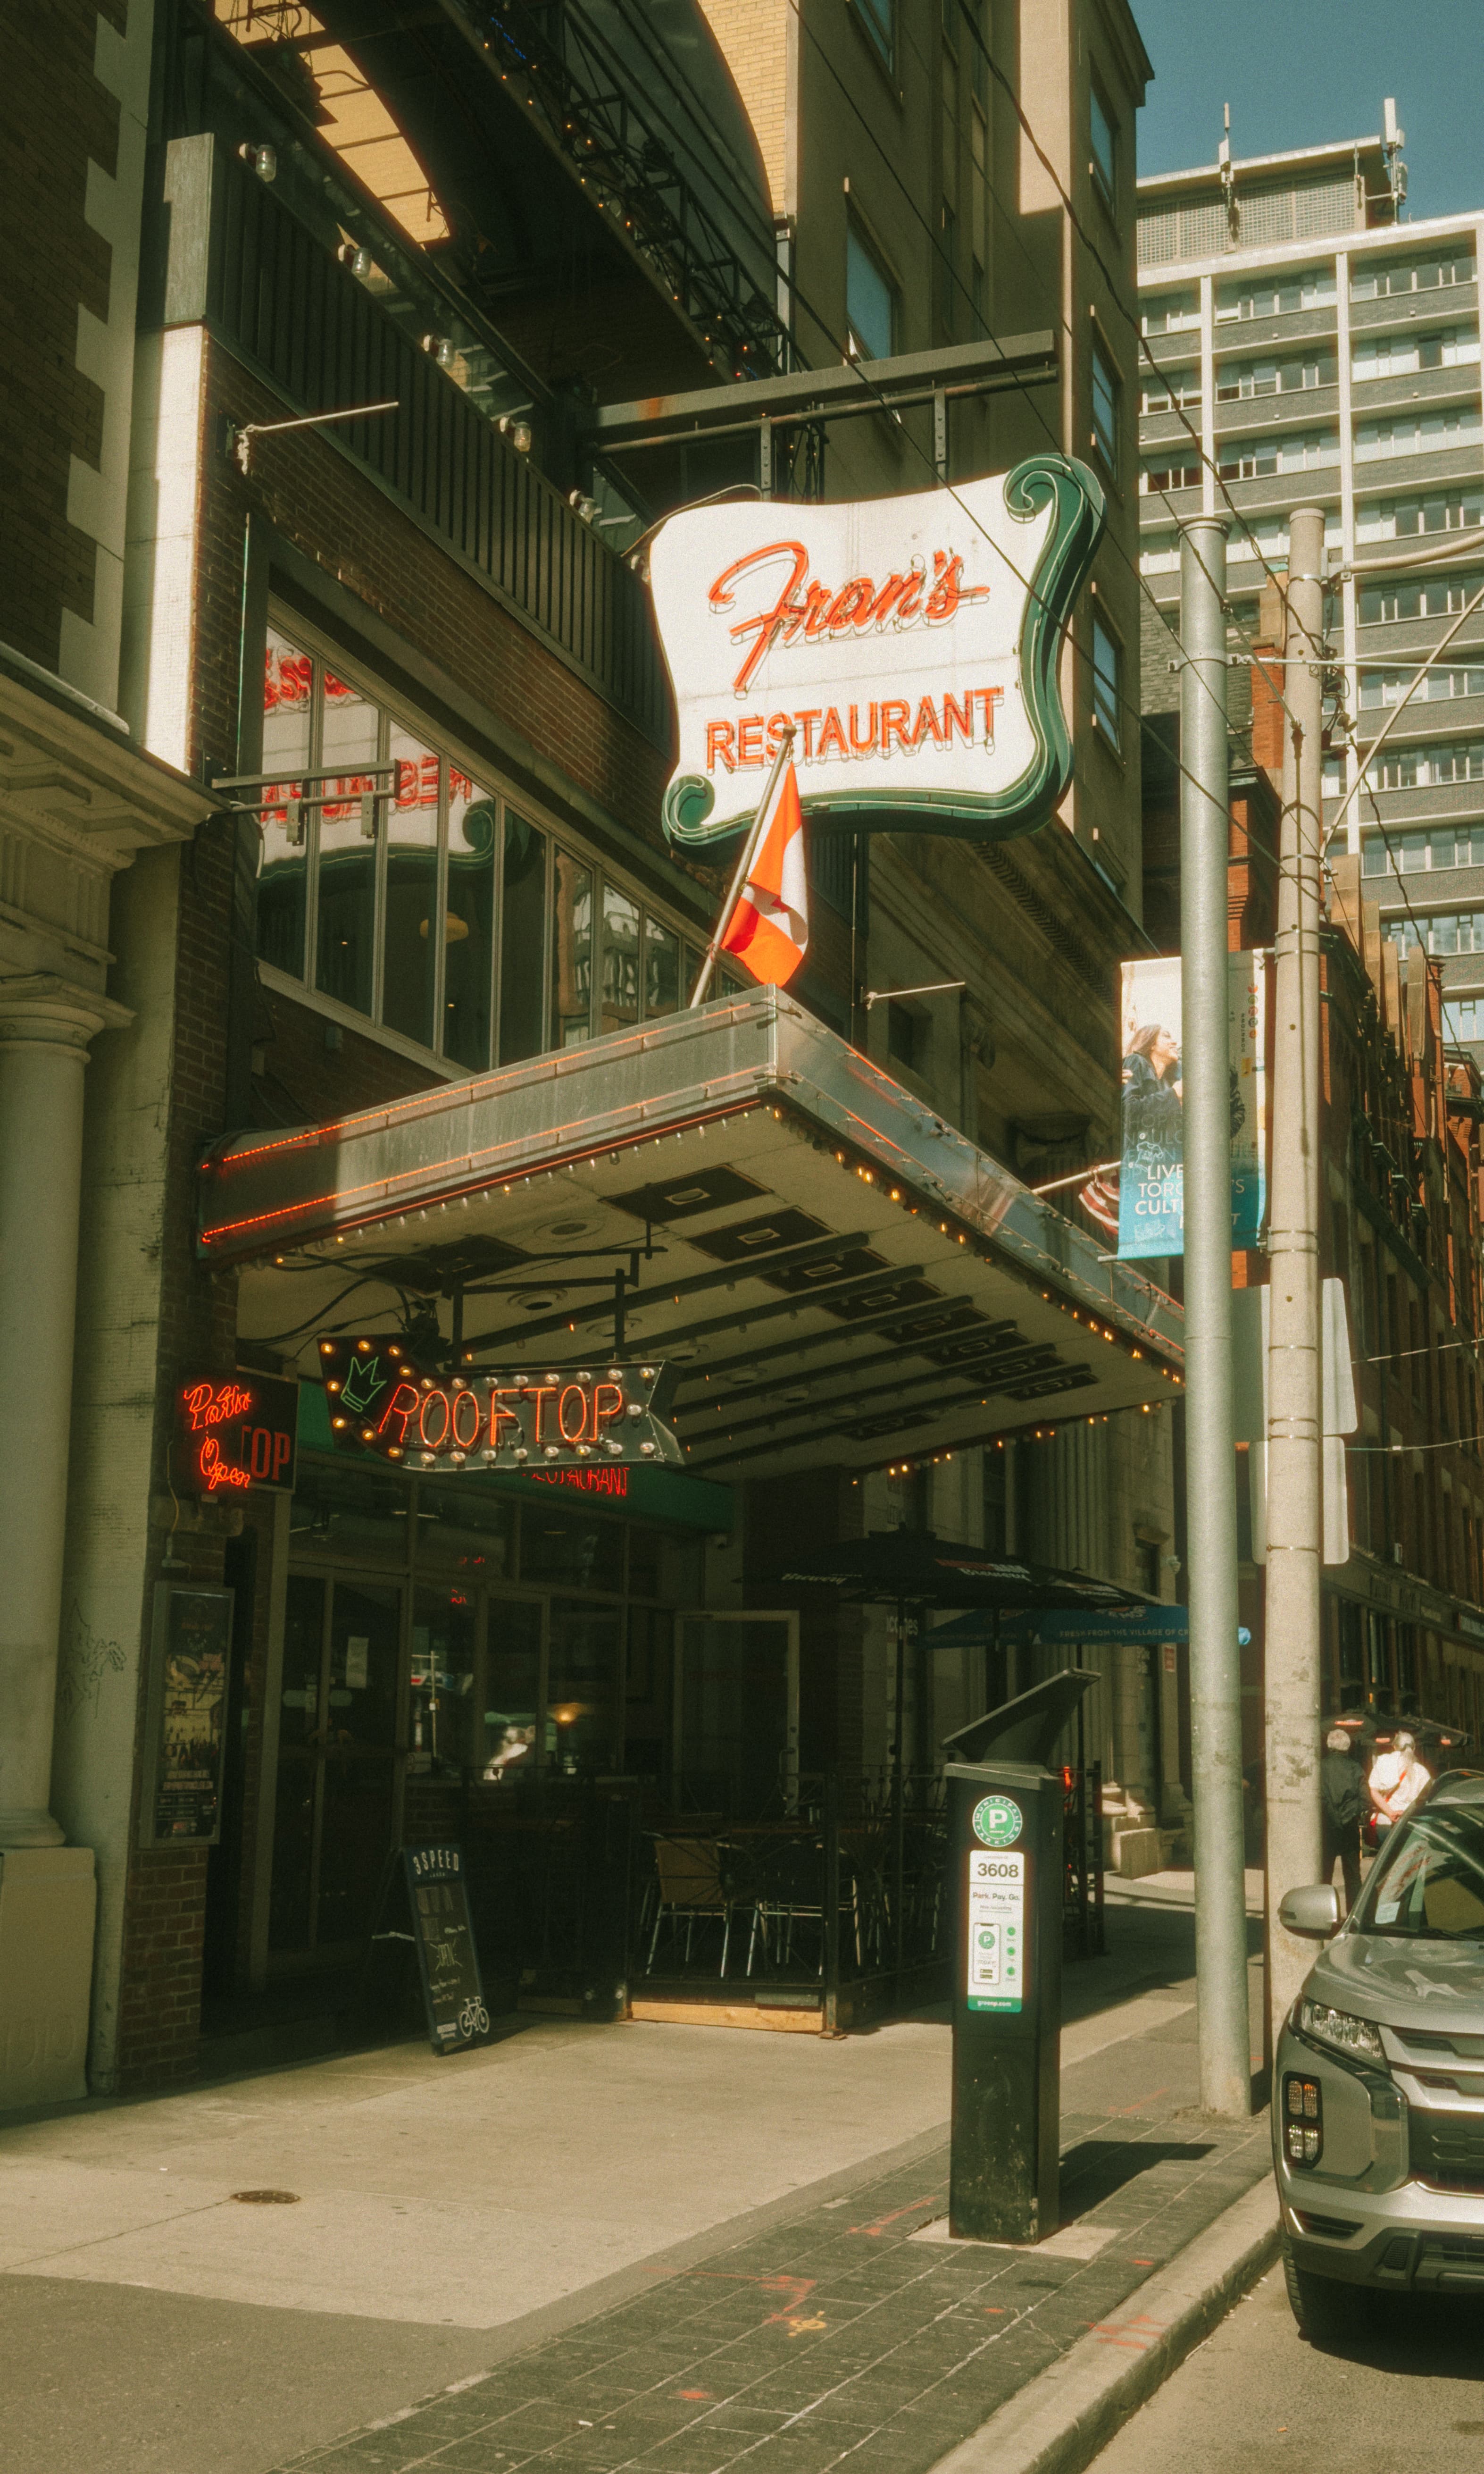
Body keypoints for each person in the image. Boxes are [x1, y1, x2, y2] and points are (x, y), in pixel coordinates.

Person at [1320, 1728, 1367, 1913]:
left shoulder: (1320, 1767)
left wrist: (1333, 1818)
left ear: (1329, 1746)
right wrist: (1347, 1817)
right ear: (1348, 1746)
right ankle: (1354, 1916)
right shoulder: (1356, 1768)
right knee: (1353, 1876)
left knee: (1324, 1875)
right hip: (1350, 1829)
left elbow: (1320, 1798)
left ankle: (1324, 1914)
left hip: (1326, 1829)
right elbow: (1365, 1800)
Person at [1368, 1729, 1432, 1840]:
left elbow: (1374, 1791)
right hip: (1412, 1824)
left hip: (1385, 1823)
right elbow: (1427, 1800)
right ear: (1414, 1748)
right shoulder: (1422, 1771)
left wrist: (1391, 1813)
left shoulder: (1382, 1763)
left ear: (1394, 1747)